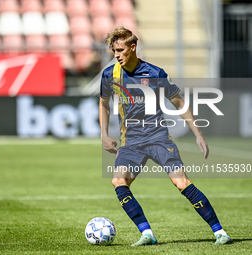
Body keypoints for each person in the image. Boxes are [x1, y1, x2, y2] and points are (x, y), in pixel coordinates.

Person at [99, 26, 231, 246]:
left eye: (121, 50)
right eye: (114, 51)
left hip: (158, 138)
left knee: (181, 183)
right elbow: (103, 104)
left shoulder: (155, 73)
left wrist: (198, 134)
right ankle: (147, 233)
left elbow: (178, 102)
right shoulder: (109, 74)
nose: (117, 55)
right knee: (118, 181)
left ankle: (220, 232)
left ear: (133, 47)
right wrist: (103, 134)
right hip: (130, 142)